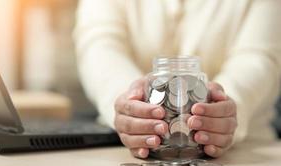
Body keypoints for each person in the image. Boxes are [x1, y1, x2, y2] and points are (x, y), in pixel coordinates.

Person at [74, 0, 281, 158]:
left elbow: (260, 58)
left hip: (247, 154)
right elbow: (98, 45)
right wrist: (130, 103)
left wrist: (227, 107)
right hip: (121, 148)